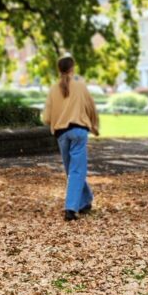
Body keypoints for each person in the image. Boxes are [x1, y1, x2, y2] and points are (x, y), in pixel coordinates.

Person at [42, 55, 100, 221]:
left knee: (73, 171)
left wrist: (56, 118)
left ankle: (75, 206)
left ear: (59, 69)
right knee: (75, 171)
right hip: (79, 131)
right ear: (72, 68)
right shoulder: (80, 87)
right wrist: (94, 126)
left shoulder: (53, 89)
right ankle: (80, 203)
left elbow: (46, 117)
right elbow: (91, 108)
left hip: (62, 133)